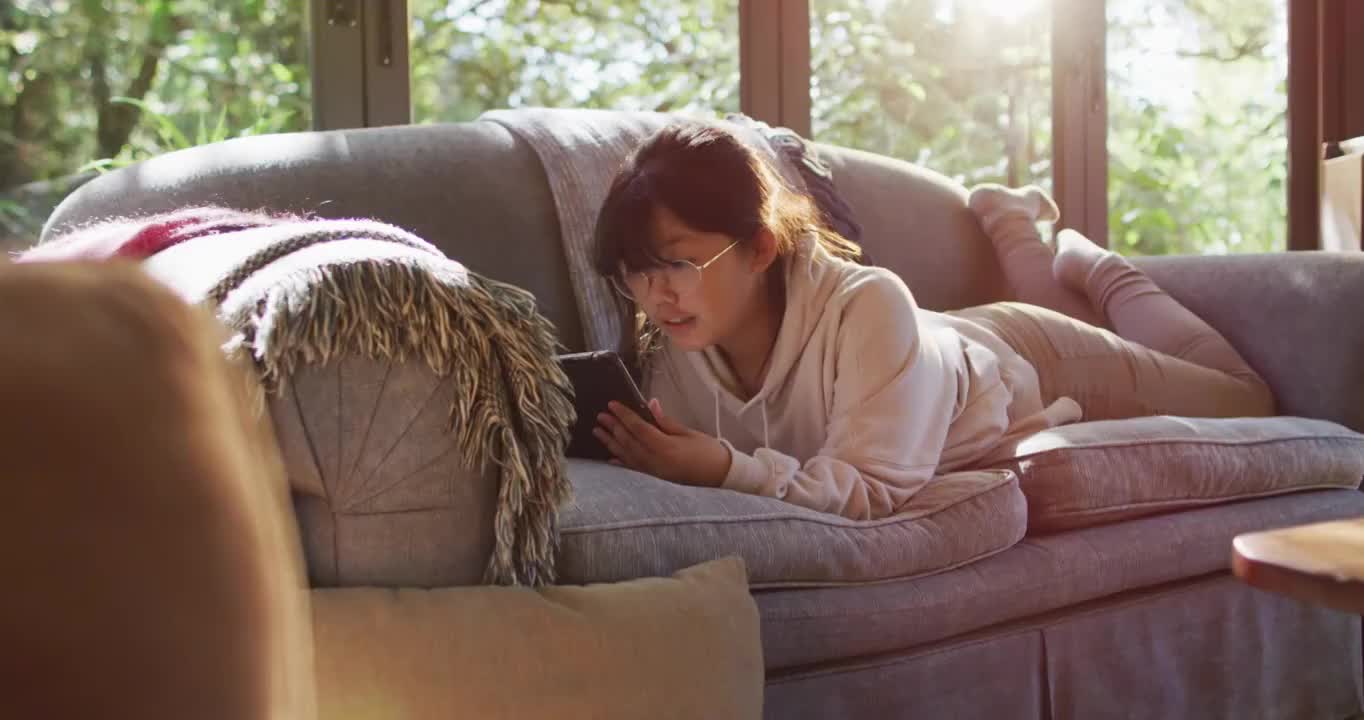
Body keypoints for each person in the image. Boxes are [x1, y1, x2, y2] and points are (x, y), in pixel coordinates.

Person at [589, 122, 1275, 520]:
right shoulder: (670, 354)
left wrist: (724, 468)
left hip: (1031, 357)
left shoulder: (866, 305)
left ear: (761, 247)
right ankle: (1015, 226)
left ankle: (1096, 267)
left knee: (1247, 396)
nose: (655, 297)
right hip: (932, 350)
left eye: (678, 265)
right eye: (636, 273)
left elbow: (874, 488)